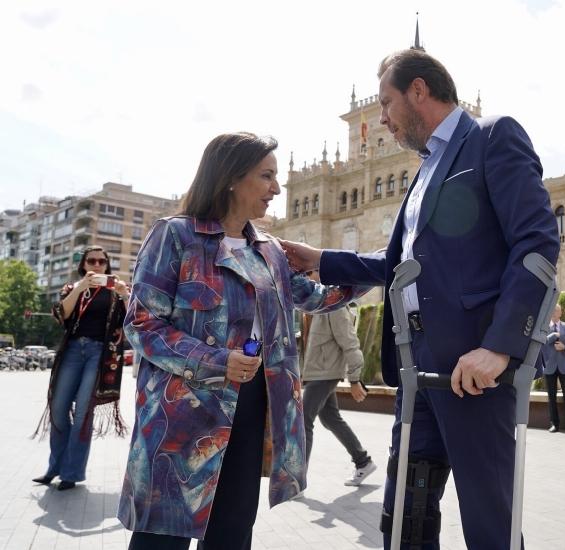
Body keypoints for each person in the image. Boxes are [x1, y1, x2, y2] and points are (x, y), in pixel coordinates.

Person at [282, 48, 559, 549]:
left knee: (488, 516)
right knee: (405, 511)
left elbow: (537, 244)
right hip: (419, 368)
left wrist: (499, 348)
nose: (381, 120)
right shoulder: (424, 170)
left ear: (418, 90)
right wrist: (319, 258)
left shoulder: (491, 137)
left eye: (385, 105)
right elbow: (397, 267)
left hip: (474, 368)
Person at [118, 132, 365, 550]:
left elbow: (321, 298)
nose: (277, 188)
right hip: (180, 413)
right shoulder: (175, 235)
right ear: (232, 177)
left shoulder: (271, 251)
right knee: (162, 536)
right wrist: (216, 360)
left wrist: (383, 262)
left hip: (250, 406)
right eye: (266, 176)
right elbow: (142, 324)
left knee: (232, 532)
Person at [32, 245, 129, 491]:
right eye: (91, 261)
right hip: (73, 351)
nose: (96, 266)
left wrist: (125, 295)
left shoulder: (116, 292)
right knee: (58, 408)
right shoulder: (73, 289)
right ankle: (54, 467)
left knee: (84, 412)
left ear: (107, 265)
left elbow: (133, 321)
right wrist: (79, 288)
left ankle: (71, 473)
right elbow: (61, 314)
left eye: (101, 262)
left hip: (99, 354)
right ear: (83, 265)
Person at [299, 278, 377, 487]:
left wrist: (355, 379)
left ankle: (297, 479)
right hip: (319, 372)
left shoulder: (333, 305)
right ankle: (363, 461)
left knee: (303, 420)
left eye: (311, 271)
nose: (306, 276)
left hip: (325, 373)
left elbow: (350, 342)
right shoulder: (315, 304)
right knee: (330, 418)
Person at [541, 303, 565, 434]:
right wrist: (554, 336)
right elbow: (542, 343)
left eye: (556, 310)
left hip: (564, 366)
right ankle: (554, 424)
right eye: (552, 310)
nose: (553, 312)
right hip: (549, 366)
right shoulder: (544, 327)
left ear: (560, 313)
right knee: (551, 397)